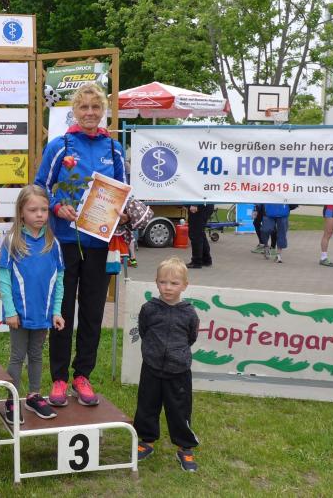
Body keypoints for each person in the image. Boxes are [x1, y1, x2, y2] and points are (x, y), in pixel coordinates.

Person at [34, 82, 126, 407]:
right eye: (83, 107)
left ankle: (82, 375)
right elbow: (41, 186)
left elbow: (121, 190)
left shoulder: (114, 148)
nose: (89, 113)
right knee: (62, 311)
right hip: (65, 242)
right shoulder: (60, 145)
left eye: (95, 107)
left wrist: (122, 211)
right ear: (74, 110)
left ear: (104, 112)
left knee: (92, 311)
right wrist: (57, 207)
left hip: (99, 243)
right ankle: (59, 378)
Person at [0, 185, 65, 424]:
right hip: (19, 315)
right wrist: (10, 311)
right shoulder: (12, 242)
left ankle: (34, 396)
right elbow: (4, 280)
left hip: (42, 314)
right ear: (21, 212)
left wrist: (56, 311)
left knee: (36, 355)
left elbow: (59, 279)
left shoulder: (53, 244)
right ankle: (12, 400)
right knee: (17, 356)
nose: (39, 214)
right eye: (33, 210)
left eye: (44, 210)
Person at [134, 256, 200, 472]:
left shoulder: (189, 313)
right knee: (147, 406)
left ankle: (185, 448)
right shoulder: (149, 309)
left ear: (184, 285)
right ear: (156, 282)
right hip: (151, 368)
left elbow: (191, 337)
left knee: (179, 410)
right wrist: (154, 352)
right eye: (163, 282)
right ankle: (146, 441)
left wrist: (176, 354)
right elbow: (144, 331)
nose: (168, 287)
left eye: (174, 283)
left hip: (179, 371)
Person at [185, 203, 215, 269]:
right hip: (203, 205)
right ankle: (206, 260)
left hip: (199, 205)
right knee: (200, 233)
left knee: (195, 234)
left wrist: (195, 204)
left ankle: (196, 262)